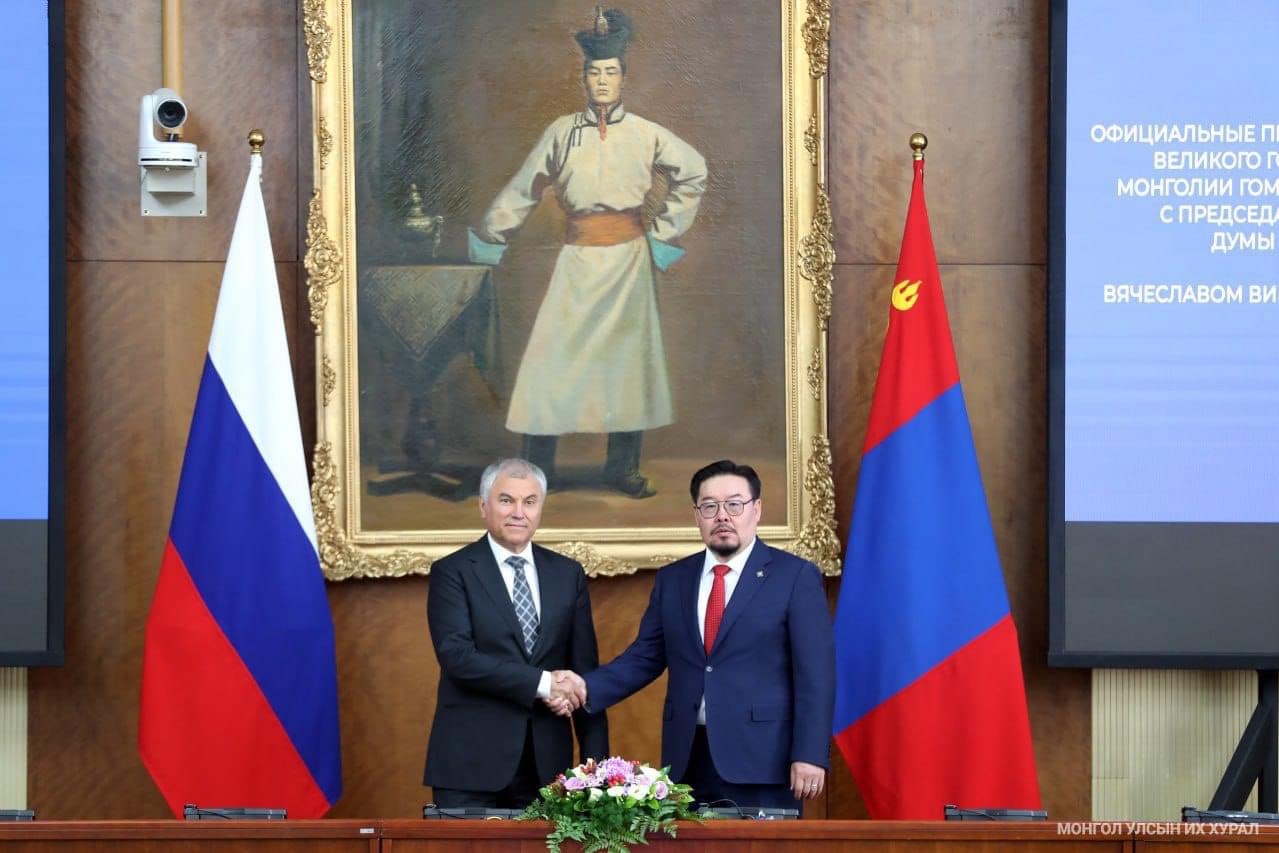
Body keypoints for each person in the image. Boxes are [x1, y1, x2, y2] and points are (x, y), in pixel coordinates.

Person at [468, 7, 708, 498]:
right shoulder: (561, 132)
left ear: (623, 78)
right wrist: (492, 235)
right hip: (577, 262)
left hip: (628, 264)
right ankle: (537, 470)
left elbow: (694, 171)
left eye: (611, 72)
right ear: (583, 79)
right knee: (551, 362)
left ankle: (622, 469)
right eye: (594, 72)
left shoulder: (645, 133)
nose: (602, 81)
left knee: (627, 366)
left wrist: (663, 234)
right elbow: (527, 186)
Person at [555, 460, 835, 809]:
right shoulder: (674, 579)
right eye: (710, 506)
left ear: (757, 509)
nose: (722, 516)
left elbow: (816, 674)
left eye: (734, 504)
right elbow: (645, 657)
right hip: (688, 757)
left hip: (764, 760)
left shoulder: (794, 577)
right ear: (697, 515)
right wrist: (584, 687)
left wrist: (810, 753)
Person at [423, 458, 609, 808]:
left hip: (547, 768)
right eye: (506, 500)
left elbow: (584, 674)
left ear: (540, 509)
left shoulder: (567, 574)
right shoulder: (453, 571)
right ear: (483, 506)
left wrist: (597, 769)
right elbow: (457, 657)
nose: (518, 513)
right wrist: (545, 684)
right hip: (469, 765)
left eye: (530, 502)